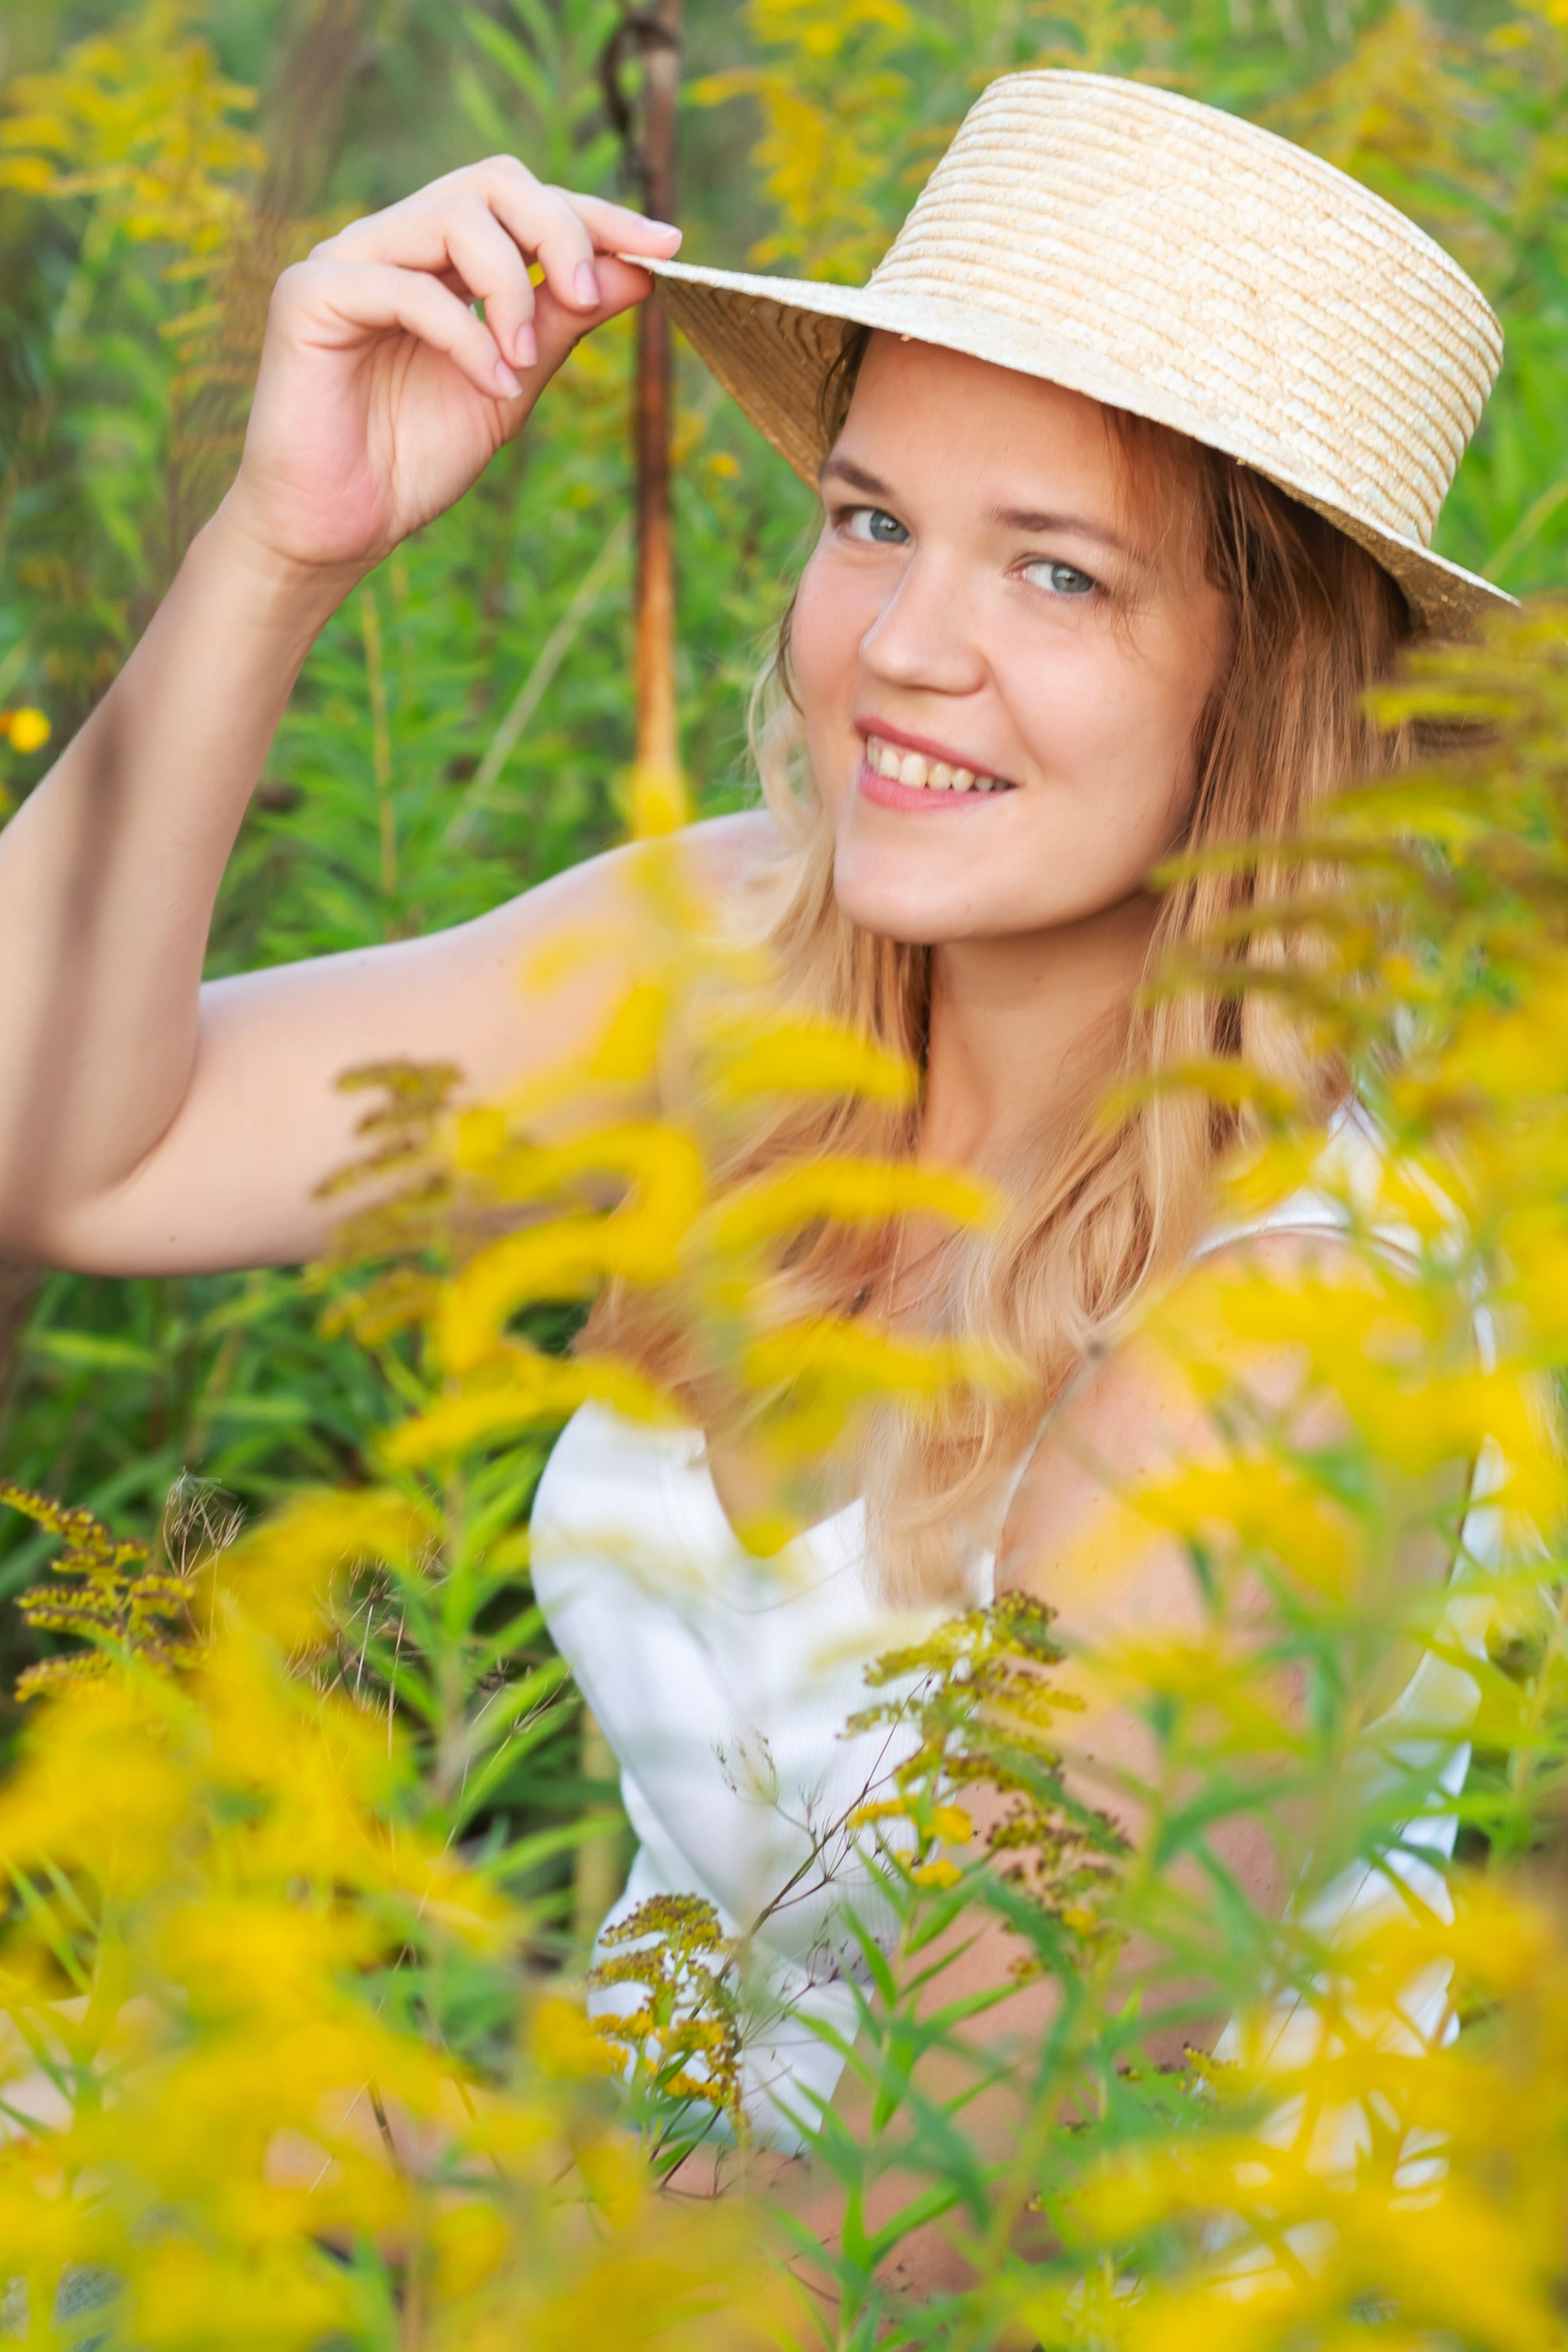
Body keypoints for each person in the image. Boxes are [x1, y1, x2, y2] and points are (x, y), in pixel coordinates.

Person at [0, 67, 1507, 2302]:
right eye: (874, 520)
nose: (902, 648)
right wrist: (279, 548)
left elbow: (911, 2239)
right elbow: (61, 1150)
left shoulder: (1284, 1338)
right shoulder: (739, 964)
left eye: (1060, 573)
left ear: (1267, 688)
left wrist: (310, 2134)